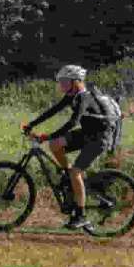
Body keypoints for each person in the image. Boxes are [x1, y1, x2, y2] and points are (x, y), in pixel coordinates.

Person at [22, 64, 114, 232]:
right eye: (61, 82)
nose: (61, 85)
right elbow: (53, 111)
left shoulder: (84, 97)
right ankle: (68, 174)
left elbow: (73, 122)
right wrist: (31, 124)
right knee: (55, 146)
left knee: (75, 172)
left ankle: (80, 216)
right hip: (87, 134)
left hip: (99, 139)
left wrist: (48, 135)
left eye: (64, 82)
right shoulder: (73, 95)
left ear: (76, 82)